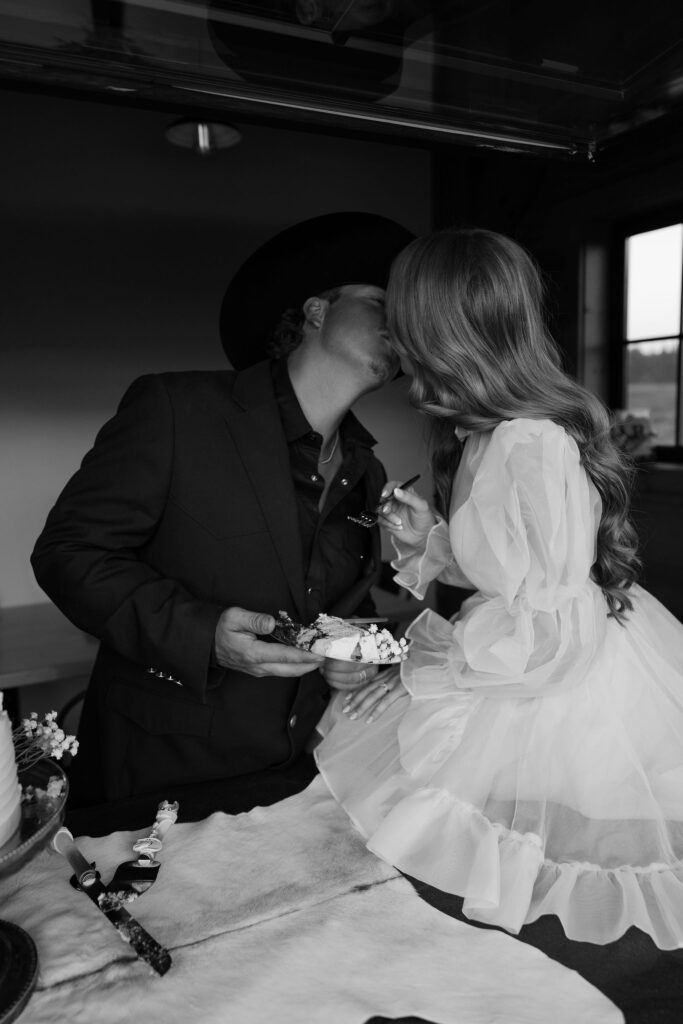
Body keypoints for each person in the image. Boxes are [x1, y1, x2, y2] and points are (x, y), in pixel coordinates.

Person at [315, 226, 683, 949]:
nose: (393, 331)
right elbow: (508, 570)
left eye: (405, 315)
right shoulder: (485, 432)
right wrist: (429, 539)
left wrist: (443, 672)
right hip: (522, 654)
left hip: (558, 684)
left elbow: (547, 622)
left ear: (440, 328)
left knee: (535, 863)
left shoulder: (528, 440)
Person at [31, 211, 413, 812]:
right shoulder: (175, 408)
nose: (404, 323)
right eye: (379, 302)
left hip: (297, 771)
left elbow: (345, 606)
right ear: (317, 311)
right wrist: (204, 634)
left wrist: (356, 658)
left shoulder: (368, 471)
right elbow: (68, 554)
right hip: (157, 768)